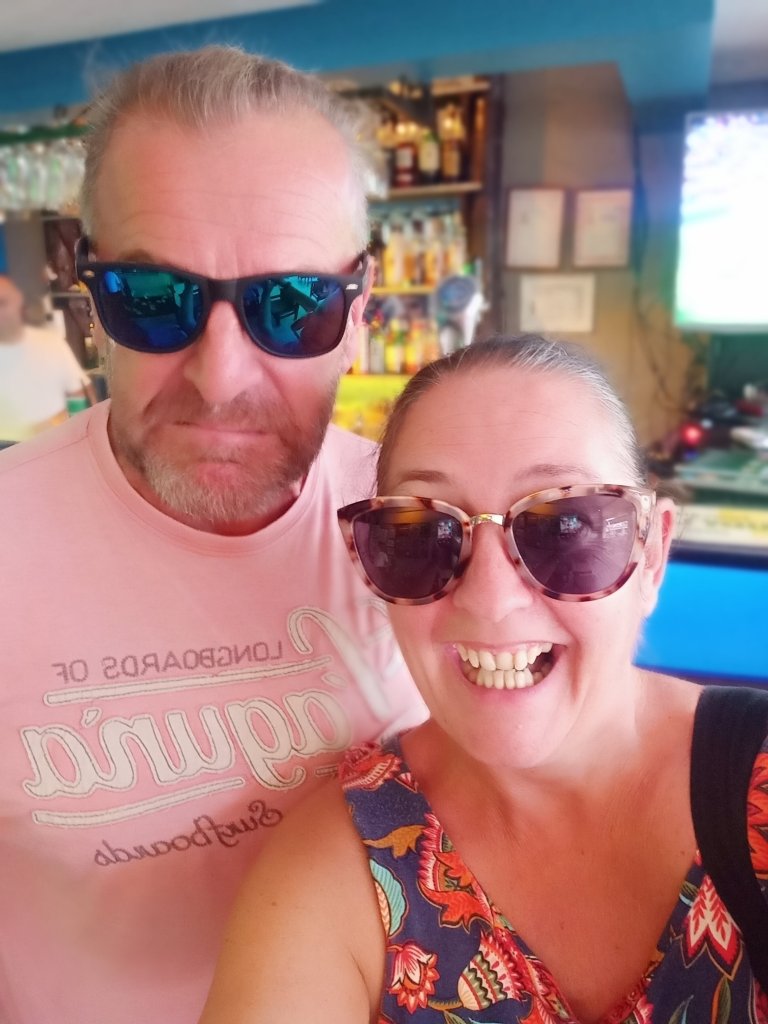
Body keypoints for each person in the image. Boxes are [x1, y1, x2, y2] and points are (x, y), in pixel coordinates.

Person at [0, 46, 424, 1024]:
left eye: (292, 305)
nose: (221, 378)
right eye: (156, 300)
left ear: (359, 309)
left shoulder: (428, 534)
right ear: (85, 289)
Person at [199, 335, 768, 1024]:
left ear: (651, 555)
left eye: (564, 526)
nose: (490, 601)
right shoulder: (338, 864)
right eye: (422, 534)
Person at [0, 273, 91, 442]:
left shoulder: (51, 344)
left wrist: (83, 437)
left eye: (2, 304)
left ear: (19, 305)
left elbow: (78, 394)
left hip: (49, 443)